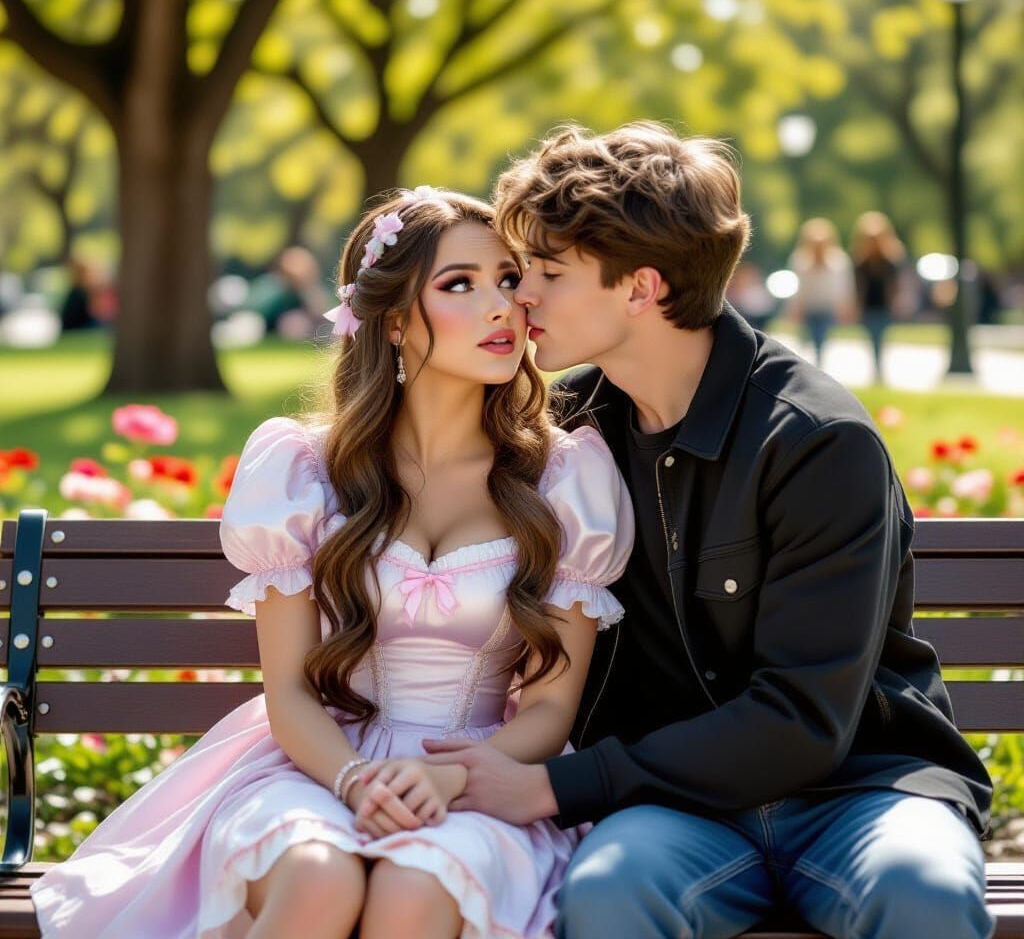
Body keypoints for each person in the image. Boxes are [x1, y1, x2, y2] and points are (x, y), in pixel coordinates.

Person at [417, 124, 994, 939]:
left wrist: (556, 786)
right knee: (611, 892)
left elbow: (802, 720)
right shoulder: (567, 434)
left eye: (548, 272)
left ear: (641, 289)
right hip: (672, 813)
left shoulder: (815, 441)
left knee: (923, 891)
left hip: (859, 791)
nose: (522, 296)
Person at [29, 188, 635, 939]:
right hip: (317, 763)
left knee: (416, 888)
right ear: (392, 321)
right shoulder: (305, 470)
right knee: (317, 876)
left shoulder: (564, 479)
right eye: (460, 285)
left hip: (482, 775)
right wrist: (352, 780)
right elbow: (288, 692)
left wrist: (449, 778)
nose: (501, 307)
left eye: (510, 280)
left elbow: (548, 709)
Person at [788, 217, 855, 367]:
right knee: (806, 339)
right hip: (809, 306)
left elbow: (844, 287)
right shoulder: (800, 259)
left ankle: (818, 365)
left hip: (827, 307)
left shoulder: (838, 260)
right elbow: (798, 287)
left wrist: (846, 307)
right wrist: (795, 308)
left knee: (821, 339)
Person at [851, 211, 907, 383]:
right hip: (868, 306)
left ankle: (879, 369)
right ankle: (876, 370)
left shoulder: (890, 260)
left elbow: (895, 286)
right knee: (872, 338)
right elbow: (858, 287)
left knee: (880, 337)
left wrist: (897, 303)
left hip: (884, 306)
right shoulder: (860, 261)